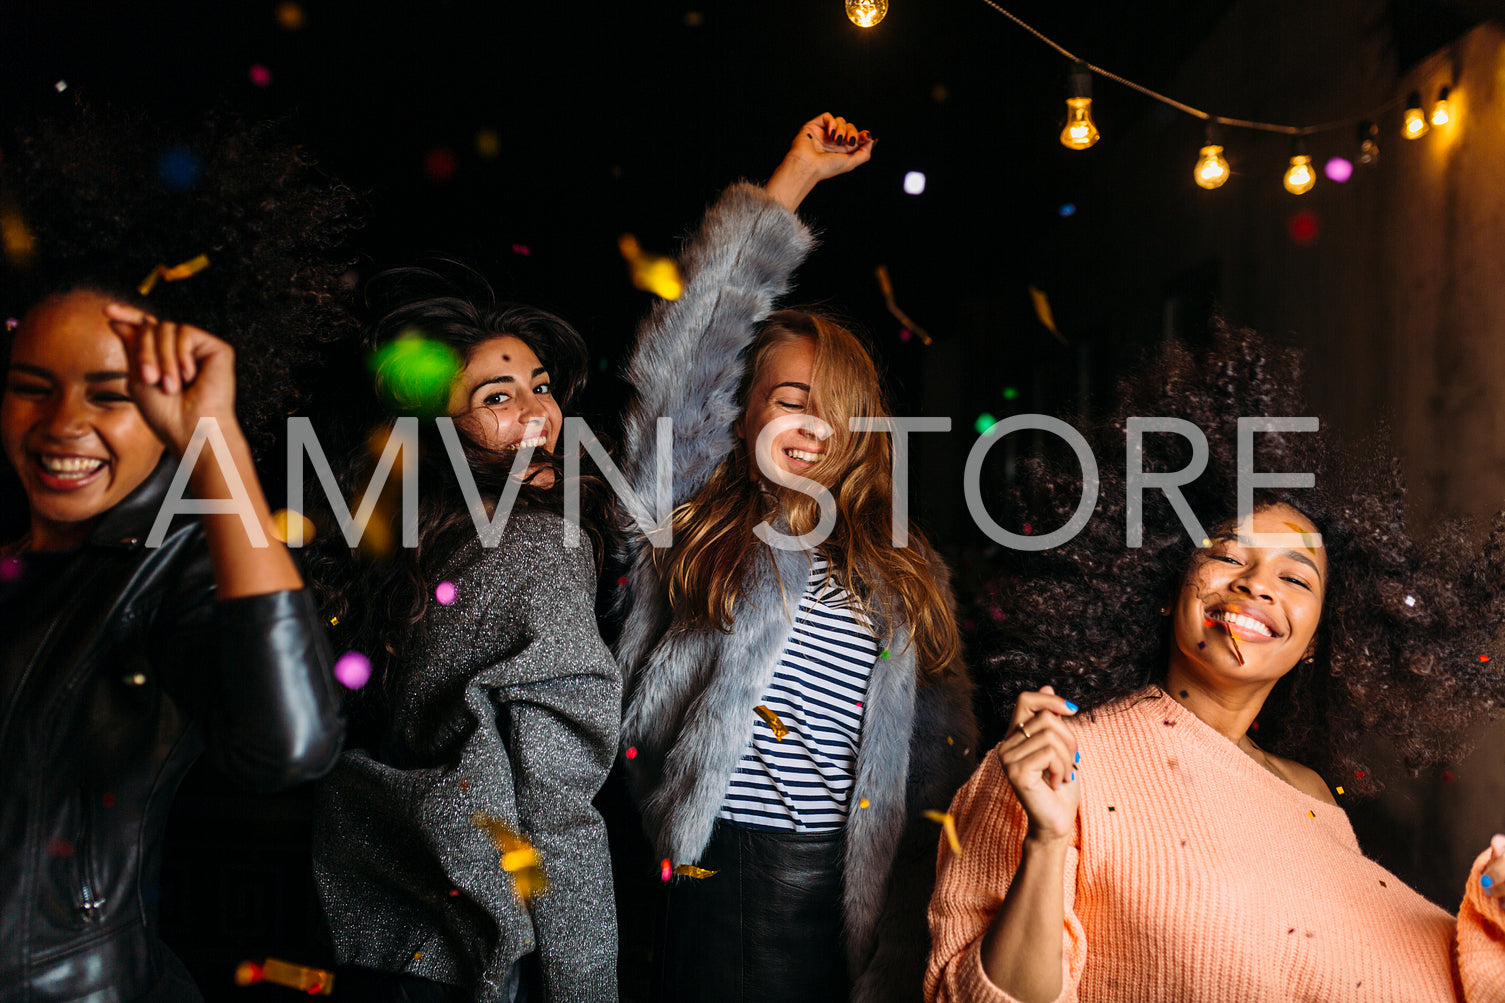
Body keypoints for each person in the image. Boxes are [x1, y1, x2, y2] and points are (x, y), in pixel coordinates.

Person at [925, 324, 1505, 1002]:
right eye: (1228, 555)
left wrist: (1491, 910)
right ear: (1167, 577)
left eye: (1295, 578)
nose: (1256, 584)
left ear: (1320, 636)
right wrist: (1048, 841)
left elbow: (1376, 969)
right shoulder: (1053, 762)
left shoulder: (1314, 801)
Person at [614, 113, 978, 1003]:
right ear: (739, 416)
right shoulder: (688, 517)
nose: (812, 425)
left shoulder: (901, 570)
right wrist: (794, 180)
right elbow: (688, 355)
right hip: (720, 868)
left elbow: (938, 752)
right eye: (787, 399)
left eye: (836, 406)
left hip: (856, 889)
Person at [0, 107, 349, 1002]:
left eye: (108, 397)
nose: (63, 425)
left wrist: (215, 438)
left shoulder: (172, 574)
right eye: (31, 389)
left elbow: (291, 746)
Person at [310, 267, 621, 1003]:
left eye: (541, 387)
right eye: (498, 397)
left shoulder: (401, 549)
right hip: (478, 951)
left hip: (374, 932)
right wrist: (585, 990)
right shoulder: (540, 547)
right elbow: (557, 807)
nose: (538, 413)